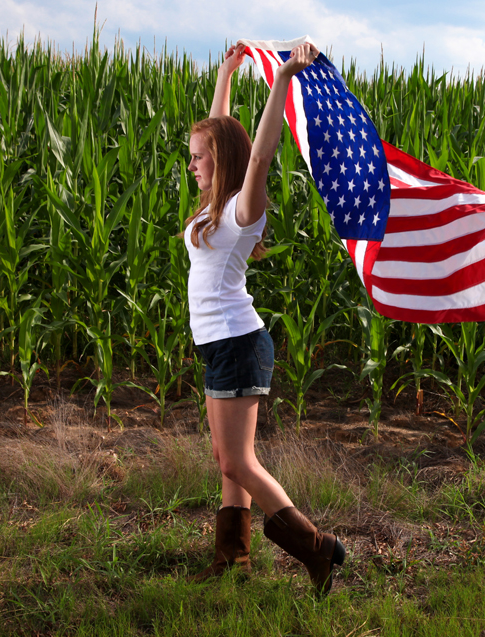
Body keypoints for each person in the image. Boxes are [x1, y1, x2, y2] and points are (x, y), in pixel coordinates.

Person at [182, 41, 345, 596]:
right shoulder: (214, 204)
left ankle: (317, 548)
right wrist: (225, 72)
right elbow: (223, 131)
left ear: (221, 162)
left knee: (239, 460)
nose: (193, 164)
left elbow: (256, 153)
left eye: (198, 158)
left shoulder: (240, 209)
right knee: (225, 460)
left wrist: (280, 83)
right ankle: (234, 558)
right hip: (219, 344)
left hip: (237, 342)